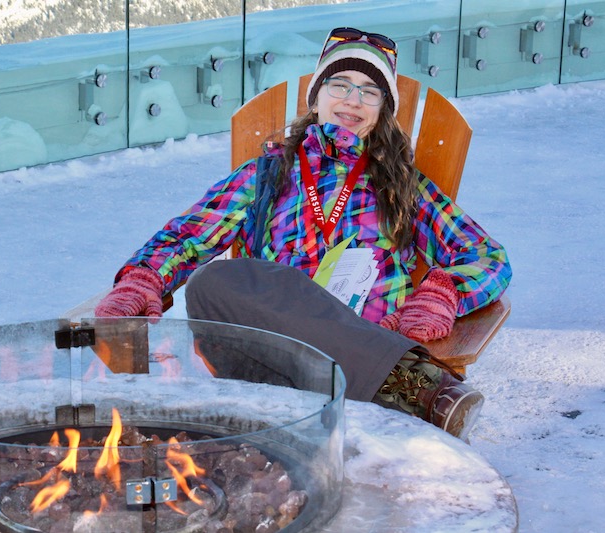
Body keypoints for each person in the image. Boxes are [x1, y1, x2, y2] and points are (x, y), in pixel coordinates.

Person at [94, 27, 511, 440]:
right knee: (213, 281)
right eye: (340, 84)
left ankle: (407, 386)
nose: (352, 99)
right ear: (317, 97)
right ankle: (414, 387)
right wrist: (143, 277)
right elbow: (187, 239)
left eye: (370, 91)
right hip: (271, 363)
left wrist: (444, 292)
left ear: (383, 109)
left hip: (364, 374)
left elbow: (486, 256)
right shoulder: (265, 174)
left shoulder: (404, 186)